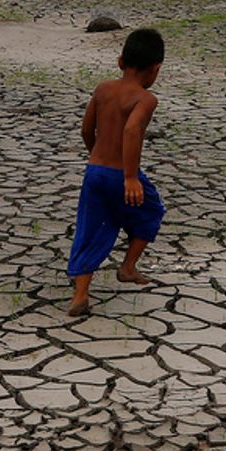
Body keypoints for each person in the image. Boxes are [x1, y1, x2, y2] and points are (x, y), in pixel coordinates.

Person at [66, 28, 166, 317]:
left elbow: (86, 129)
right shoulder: (145, 99)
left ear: (120, 61)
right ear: (155, 69)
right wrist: (131, 176)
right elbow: (132, 130)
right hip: (122, 174)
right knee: (151, 211)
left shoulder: (103, 89)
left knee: (89, 228)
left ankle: (80, 295)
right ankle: (127, 266)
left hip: (94, 172)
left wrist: (95, 155)